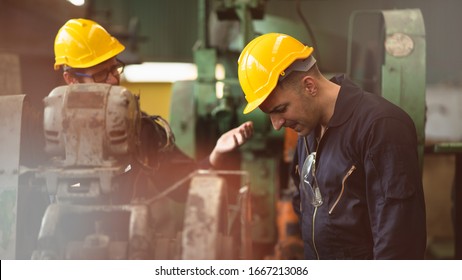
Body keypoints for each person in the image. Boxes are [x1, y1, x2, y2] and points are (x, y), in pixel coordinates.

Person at [237, 33, 426, 259]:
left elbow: (398, 238)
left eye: (280, 110)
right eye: (270, 115)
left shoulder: (380, 126)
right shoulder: (308, 130)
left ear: (309, 86)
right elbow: (304, 204)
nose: (276, 125)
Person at [53, 18, 254, 202]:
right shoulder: (49, 132)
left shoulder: (140, 128)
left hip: (128, 239)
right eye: (100, 74)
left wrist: (216, 154)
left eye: (115, 68)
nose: (113, 79)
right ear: (71, 79)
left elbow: (180, 183)